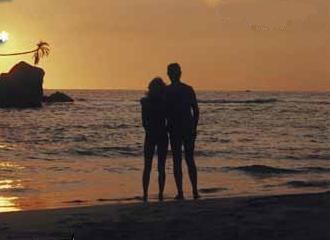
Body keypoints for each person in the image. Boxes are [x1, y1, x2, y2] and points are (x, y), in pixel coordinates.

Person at [165, 63, 200, 200]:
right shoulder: (188, 89)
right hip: (186, 127)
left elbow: (164, 111)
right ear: (180, 73)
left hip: (176, 129)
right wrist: (194, 127)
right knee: (189, 159)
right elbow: (196, 111)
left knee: (178, 160)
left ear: (169, 74)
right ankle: (194, 191)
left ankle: (181, 192)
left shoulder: (167, 91)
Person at [141, 77, 169, 202]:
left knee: (153, 166)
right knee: (156, 166)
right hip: (157, 134)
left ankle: (151, 194)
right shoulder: (162, 102)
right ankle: (155, 193)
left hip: (155, 134)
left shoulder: (148, 102)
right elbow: (144, 121)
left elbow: (144, 122)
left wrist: (149, 129)